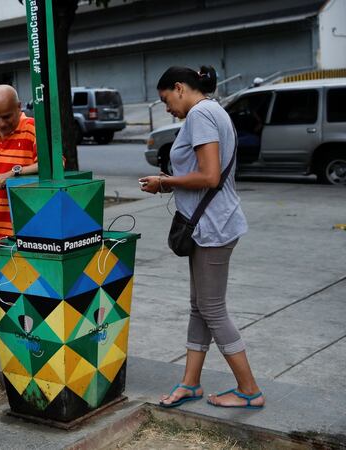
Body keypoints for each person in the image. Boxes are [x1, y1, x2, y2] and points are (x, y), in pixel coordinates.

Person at [139, 66, 264, 410]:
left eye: (166, 99)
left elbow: (208, 176)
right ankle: (190, 383)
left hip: (214, 227)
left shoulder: (201, 114)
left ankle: (249, 389)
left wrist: (164, 182)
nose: (166, 108)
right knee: (200, 307)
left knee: (211, 308)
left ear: (179, 88)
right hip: (210, 224)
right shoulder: (211, 111)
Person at [0, 85, 38, 243]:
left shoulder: (33, 128)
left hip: (23, 227)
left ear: (19, 106)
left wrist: (15, 172)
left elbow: (55, 165)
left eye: (6, 117)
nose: (0, 124)